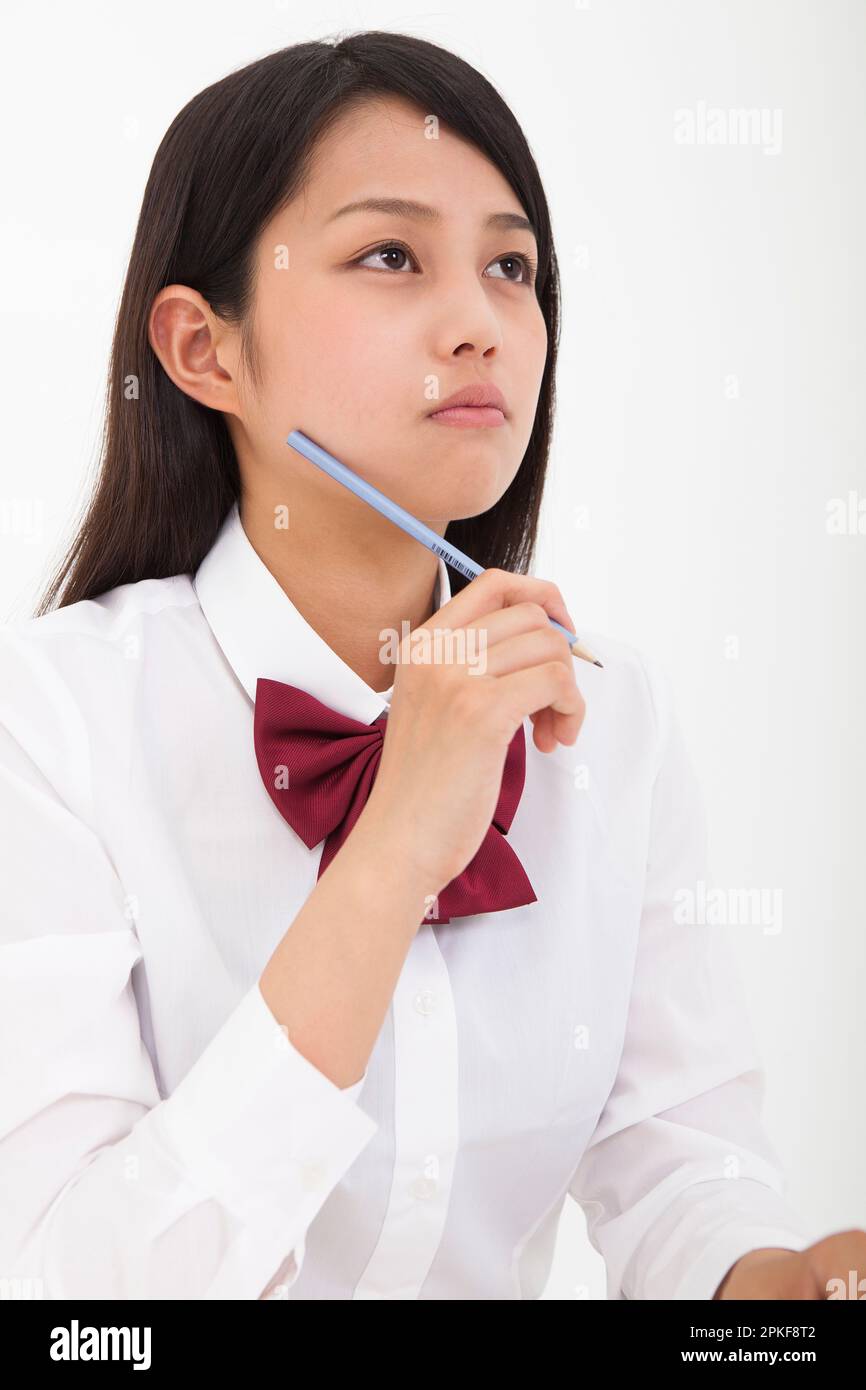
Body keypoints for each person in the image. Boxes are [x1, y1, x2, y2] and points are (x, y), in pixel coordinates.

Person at [1, 31, 859, 1301]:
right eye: (389, 255)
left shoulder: (607, 715)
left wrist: (787, 1290)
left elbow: (678, 1167)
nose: (482, 324)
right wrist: (397, 844)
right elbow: (73, 1308)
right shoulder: (53, 719)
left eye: (511, 267)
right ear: (203, 351)